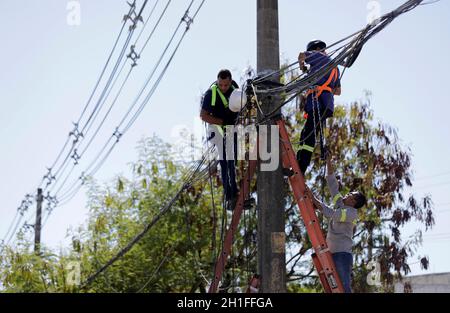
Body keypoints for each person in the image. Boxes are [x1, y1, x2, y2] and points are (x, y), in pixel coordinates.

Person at [305, 154, 366, 293]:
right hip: (332, 253)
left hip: (342, 255)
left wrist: (313, 199)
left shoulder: (351, 213)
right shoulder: (341, 204)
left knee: (343, 288)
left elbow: (331, 213)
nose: (348, 194)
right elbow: (332, 183)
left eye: (351, 194)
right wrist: (328, 160)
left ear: (354, 201)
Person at [297, 40, 342, 174]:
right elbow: (338, 91)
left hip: (316, 103)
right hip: (326, 105)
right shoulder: (334, 66)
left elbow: (301, 55)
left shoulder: (317, 56)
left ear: (316, 49)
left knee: (307, 135)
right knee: (312, 132)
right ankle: (304, 163)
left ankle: (300, 168)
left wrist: (301, 66)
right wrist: (325, 88)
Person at [200, 69, 240, 210]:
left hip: (230, 128)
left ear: (230, 82)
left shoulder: (235, 91)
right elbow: (203, 116)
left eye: (226, 85)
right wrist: (221, 122)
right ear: (218, 82)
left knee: (232, 160)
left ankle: (235, 192)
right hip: (216, 128)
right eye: (221, 85)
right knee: (225, 162)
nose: (223, 88)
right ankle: (230, 195)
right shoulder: (211, 94)